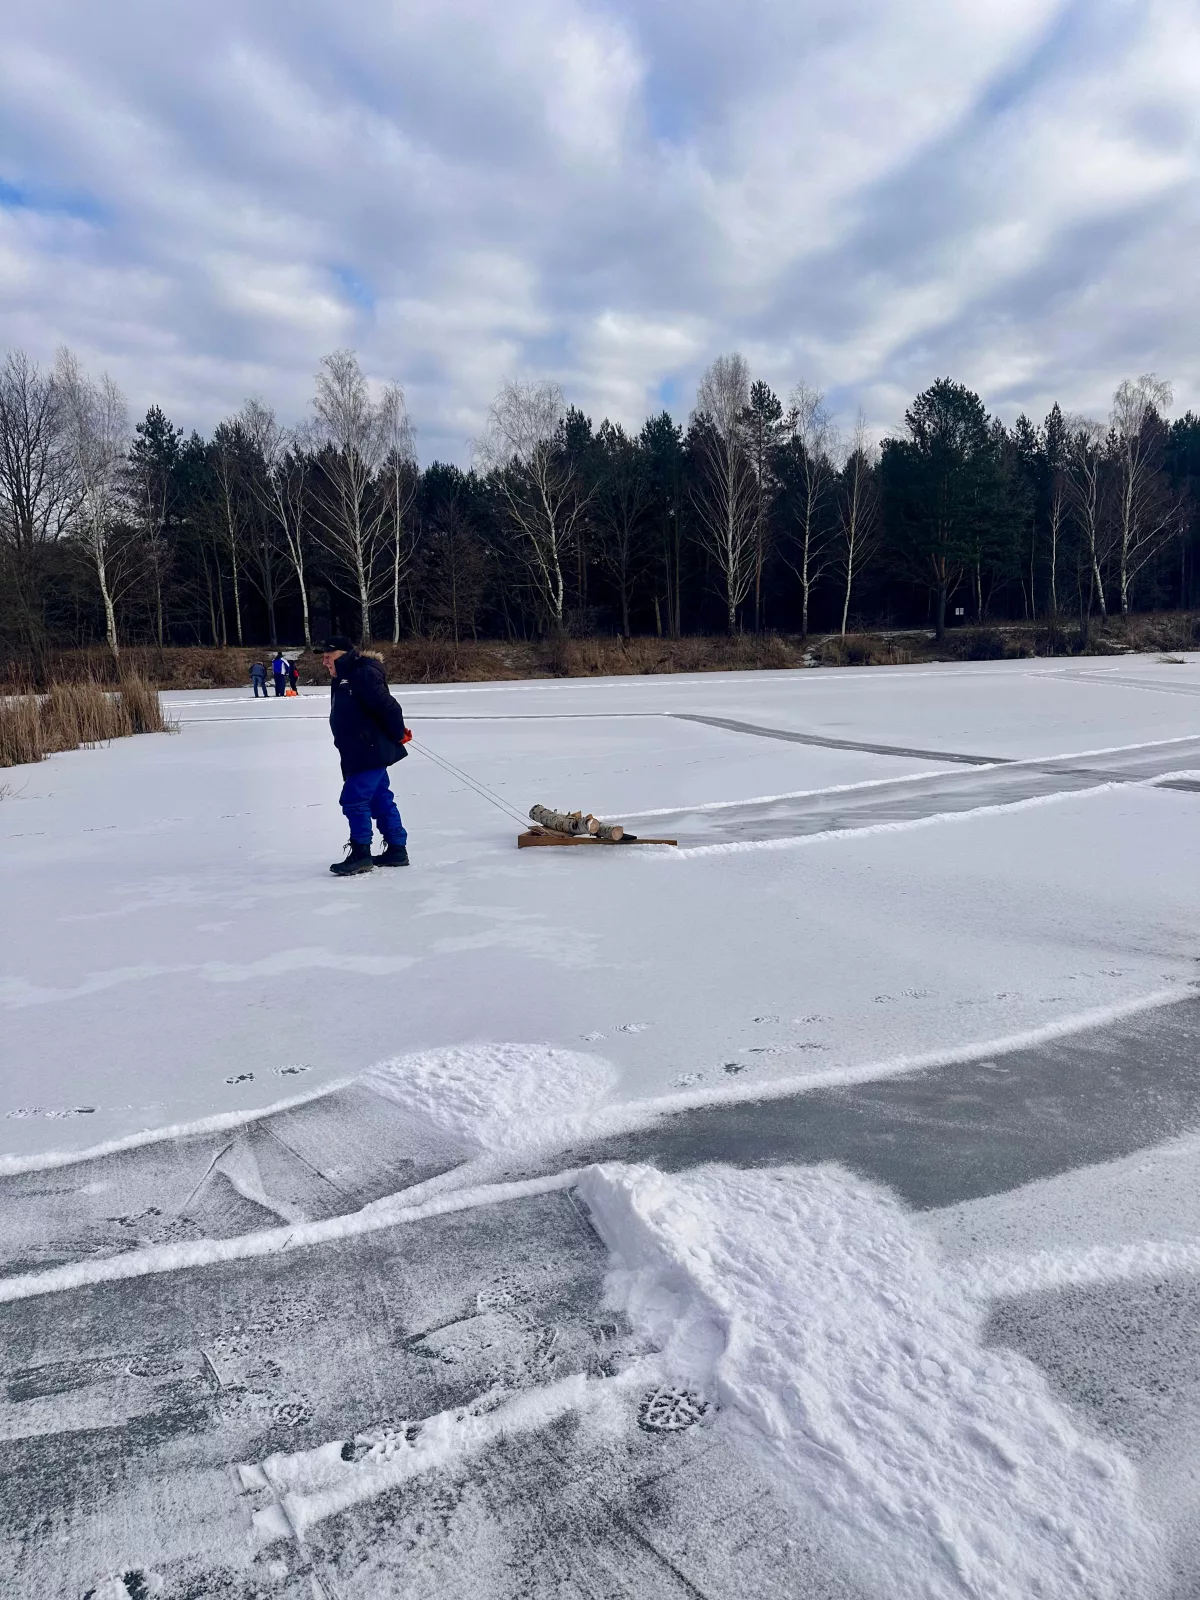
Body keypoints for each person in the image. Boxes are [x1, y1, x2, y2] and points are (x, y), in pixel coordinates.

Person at [319, 636, 410, 875]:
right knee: (379, 798)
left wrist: (398, 733)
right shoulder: (342, 676)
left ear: (343, 654)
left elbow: (389, 707)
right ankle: (397, 850)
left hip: (369, 749)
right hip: (357, 749)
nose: (325, 661)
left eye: (329, 656)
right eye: (324, 657)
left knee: (354, 799)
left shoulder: (362, 673)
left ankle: (361, 853)